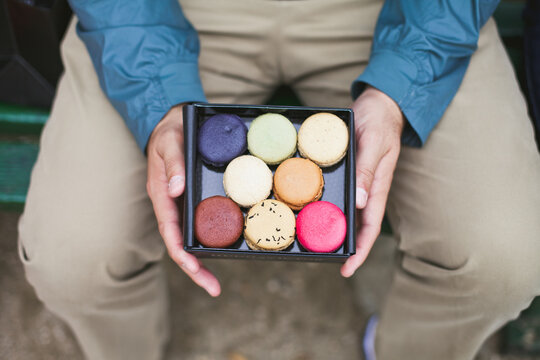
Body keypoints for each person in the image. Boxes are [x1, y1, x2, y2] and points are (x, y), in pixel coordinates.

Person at [17, 0, 540, 359]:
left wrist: (403, 84)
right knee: (72, 255)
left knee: (502, 254)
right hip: (165, 18)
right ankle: (134, 346)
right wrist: (157, 95)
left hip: (402, 17)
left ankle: (411, 349)